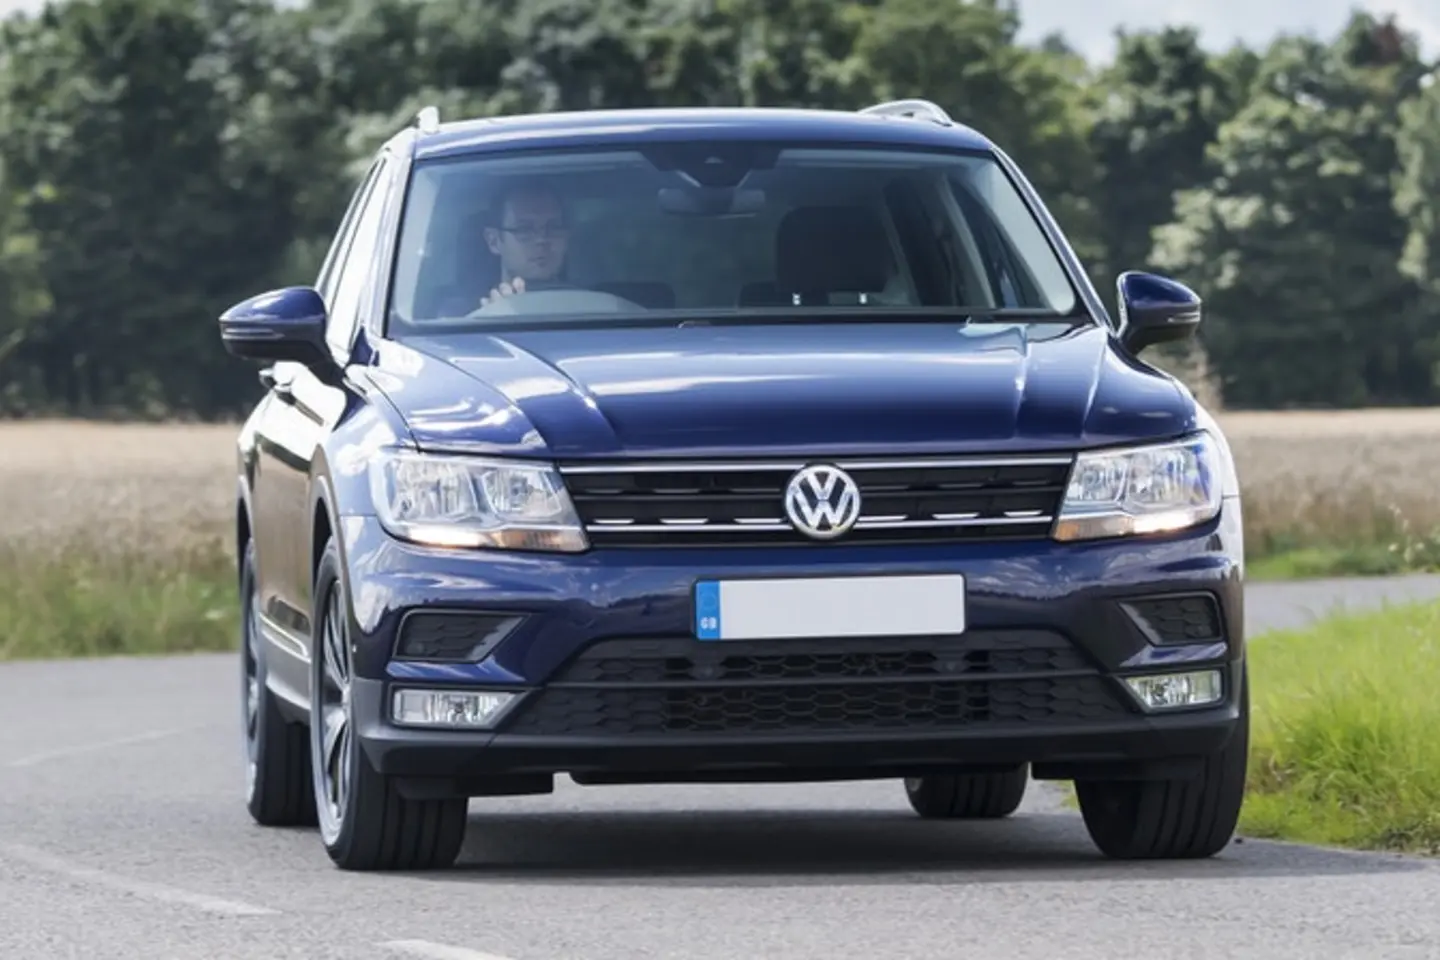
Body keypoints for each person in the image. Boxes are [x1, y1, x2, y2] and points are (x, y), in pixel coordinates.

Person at [478, 181, 570, 307]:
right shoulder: (460, 319)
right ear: (493, 241)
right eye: (524, 229)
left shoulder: (593, 310)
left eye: (553, 227)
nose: (541, 239)